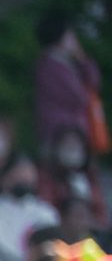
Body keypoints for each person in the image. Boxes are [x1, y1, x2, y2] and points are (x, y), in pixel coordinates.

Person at [34, 9, 103, 171]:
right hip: (59, 135)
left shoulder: (68, 62)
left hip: (76, 135)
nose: (74, 39)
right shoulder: (48, 67)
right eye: (69, 34)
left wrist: (83, 58)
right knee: (61, 177)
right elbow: (79, 97)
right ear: (59, 37)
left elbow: (94, 82)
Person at [0, 156, 61, 261]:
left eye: (28, 172)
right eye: (19, 172)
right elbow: (2, 250)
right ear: (5, 178)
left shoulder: (46, 211)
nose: (24, 177)